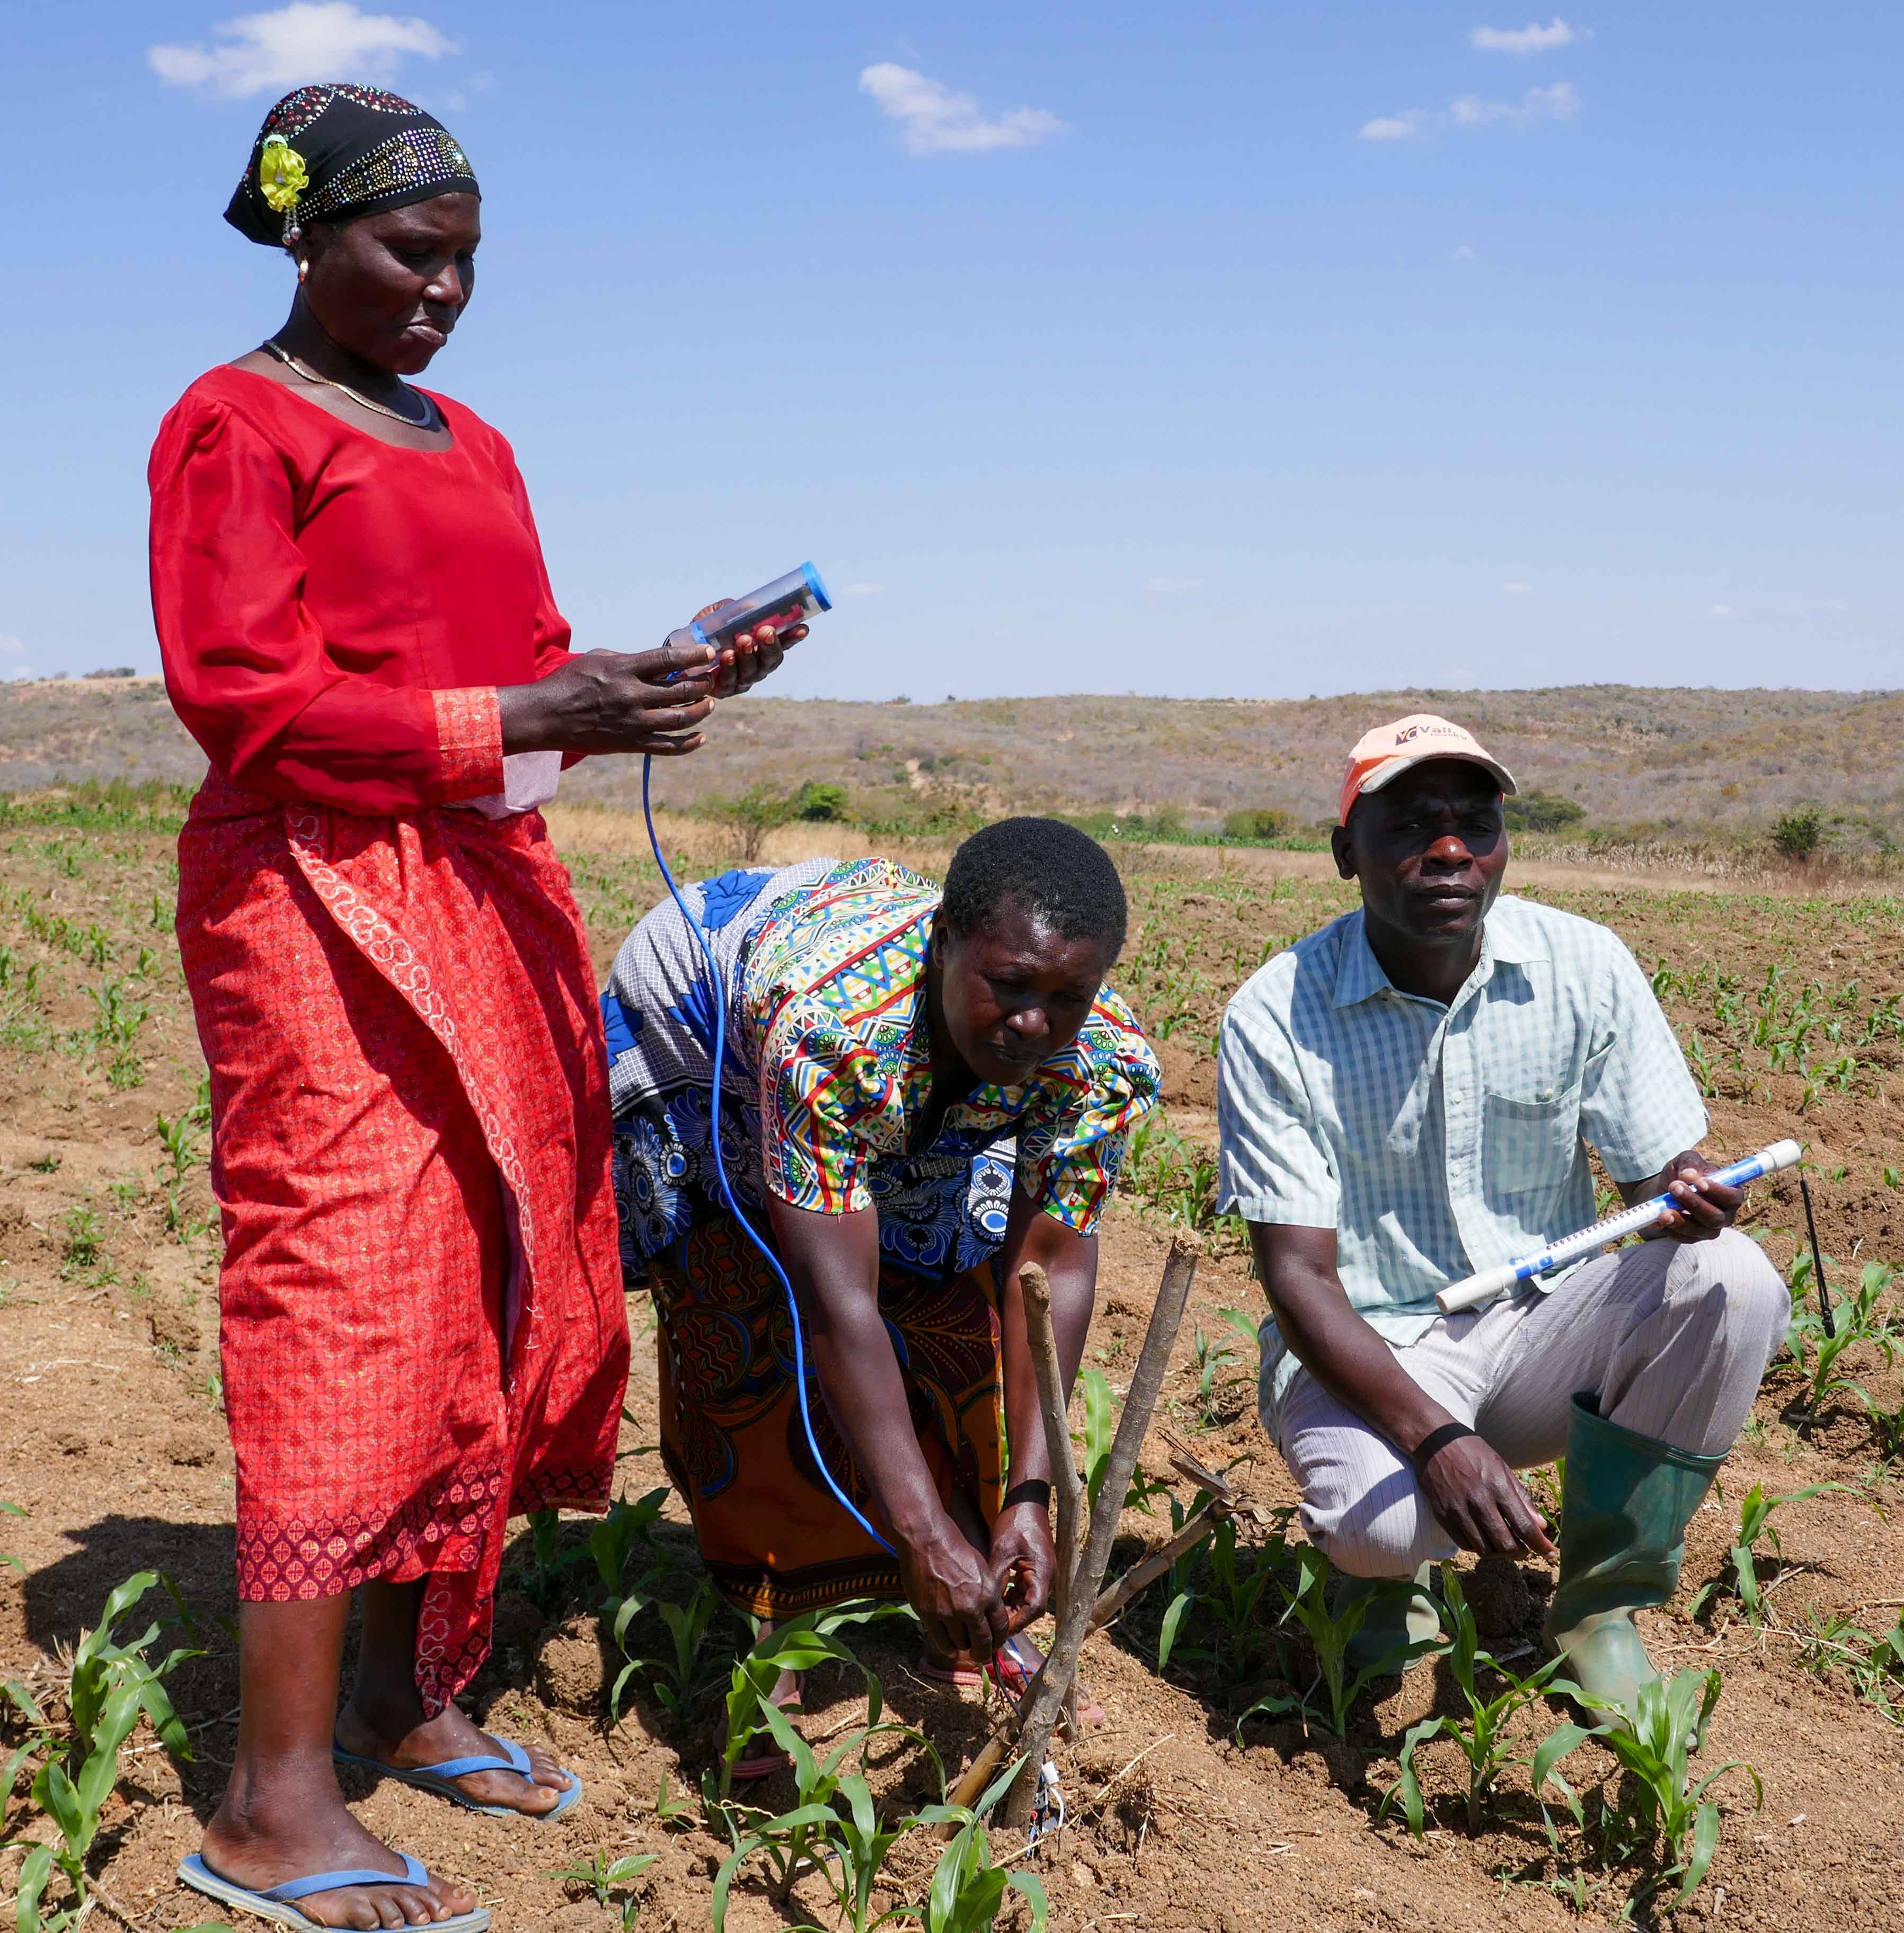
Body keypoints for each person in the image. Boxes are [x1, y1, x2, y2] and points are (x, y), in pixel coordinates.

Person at [153, 84, 806, 1931]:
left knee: (495, 1271)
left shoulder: (476, 442)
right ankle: (273, 1804)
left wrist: (654, 685)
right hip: (314, 892)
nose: (441, 294)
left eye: (466, 264)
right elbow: (245, 699)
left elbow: (517, 691)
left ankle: (412, 1684)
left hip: (483, 882)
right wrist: (530, 713)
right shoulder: (235, 419)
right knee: (345, 1285)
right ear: (308, 238)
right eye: (406, 254)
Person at [1215, 716, 1788, 1714]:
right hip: (1374, 1346)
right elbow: (1298, 1279)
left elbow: (1657, 1170)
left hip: (1541, 1333)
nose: (1449, 850)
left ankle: (1601, 1608)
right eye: (1410, 826)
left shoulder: (1583, 965)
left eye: (1474, 824)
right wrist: (1438, 1442)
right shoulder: (1277, 1013)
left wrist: (1689, 1190)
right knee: (1379, 1533)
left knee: (1733, 1278)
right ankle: (1392, 1585)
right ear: (1347, 850)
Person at [599, 820, 1159, 1755]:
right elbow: (836, 1306)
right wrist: (920, 1529)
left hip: (875, 1047)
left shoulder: (1098, 1060)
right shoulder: (828, 1033)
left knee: (945, 1281)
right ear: (944, 942)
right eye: (1009, 985)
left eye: (1069, 996)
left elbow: (1046, 1268)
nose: (1034, 1024)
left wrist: (1029, 1495)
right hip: (707, 1015)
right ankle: (786, 1639)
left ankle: (974, 1602)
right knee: (748, 1293)